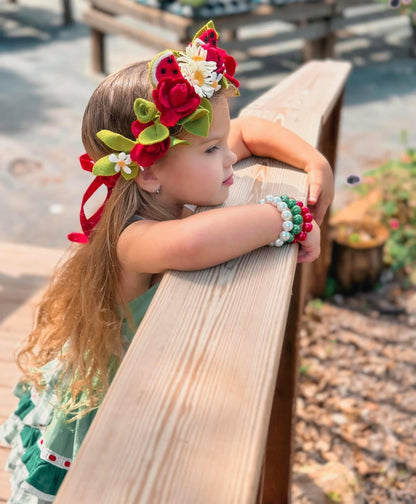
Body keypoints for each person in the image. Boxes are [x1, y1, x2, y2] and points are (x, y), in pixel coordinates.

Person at [0, 21, 331, 503]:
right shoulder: (133, 238)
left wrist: (314, 163)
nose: (227, 160)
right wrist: (287, 215)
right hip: (113, 398)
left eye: (222, 146)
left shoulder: (169, 176)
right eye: (212, 149)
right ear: (151, 172)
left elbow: (250, 130)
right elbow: (194, 244)